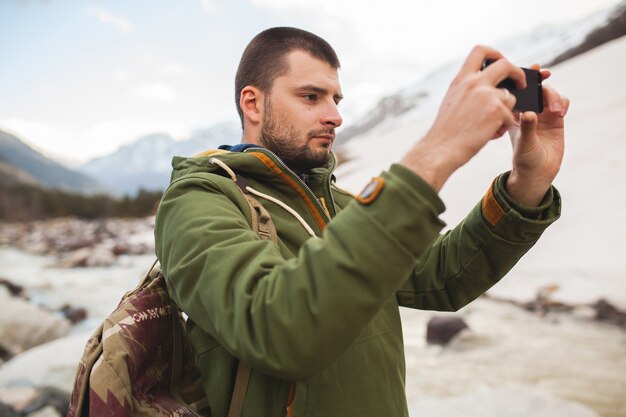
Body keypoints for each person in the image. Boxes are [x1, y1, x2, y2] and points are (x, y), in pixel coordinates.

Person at [154, 27, 568, 417]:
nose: (335, 116)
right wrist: (436, 152)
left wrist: (526, 184)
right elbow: (278, 329)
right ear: (253, 103)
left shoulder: (343, 205)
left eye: (337, 99)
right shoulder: (199, 199)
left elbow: (443, 278)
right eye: (312, 97)